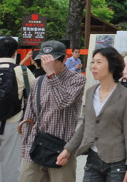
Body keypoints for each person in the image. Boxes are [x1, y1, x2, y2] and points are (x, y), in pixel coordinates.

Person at [57, 46, 127, 182]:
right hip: (93, 160)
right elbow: (85, 126)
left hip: (117, 162)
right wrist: (68, 149)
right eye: (92, 62)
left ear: (112, 65)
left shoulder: (125, 96)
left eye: (99, 62)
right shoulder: (90, 92)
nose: (93, 66)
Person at [18, 40, 86, 182]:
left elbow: (62, 102)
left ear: (64, 60)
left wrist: (51, 74)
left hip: (62, 148)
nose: (46, 64)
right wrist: (26, 147)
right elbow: (30, 115)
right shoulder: (39, 81)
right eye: (44, 60)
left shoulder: (77, 79)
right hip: (36, 146)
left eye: (51, 60)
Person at [0, 37, 34, 182]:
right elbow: (36, 92)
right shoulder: (22, 71)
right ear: (15, 53)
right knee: (11, 165)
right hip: (13, 123)